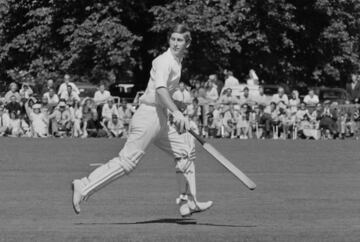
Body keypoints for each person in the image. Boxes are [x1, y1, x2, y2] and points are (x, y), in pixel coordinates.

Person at [72, 24, 212, 217]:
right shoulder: (165, 61)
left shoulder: (176, 61)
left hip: (160, 116)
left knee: (185, 151)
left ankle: (188, 202)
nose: (175, 43)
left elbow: (162, 92)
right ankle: (84, 185)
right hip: (148, 116)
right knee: (128, 162)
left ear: (187, 43)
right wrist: (177, 112)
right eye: (173, 39)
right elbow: (160, 90)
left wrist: (176, 104)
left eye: (180, 40)